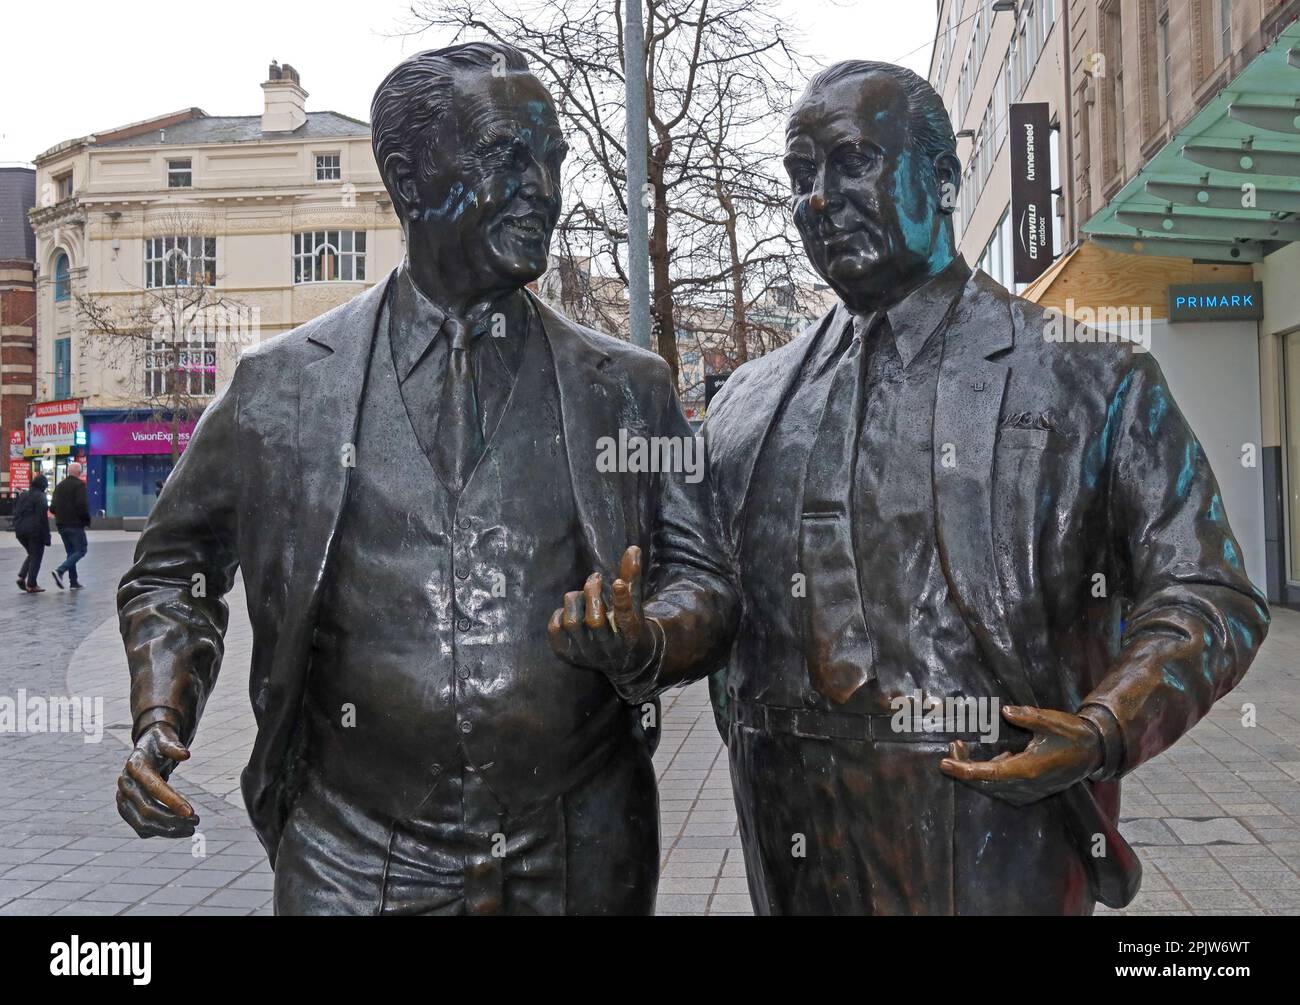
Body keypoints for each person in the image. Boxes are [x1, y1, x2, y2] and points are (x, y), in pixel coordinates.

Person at [558, 60, 1268, 915]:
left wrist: (1106, 725)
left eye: (852, 161)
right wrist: (645, 640)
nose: (819, 198)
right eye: (800, 174)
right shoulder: (747, 400)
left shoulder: (1090, 378)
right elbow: (706, 594)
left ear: (942, 179)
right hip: (793, 821)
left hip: (995, 814)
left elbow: (1210, 593)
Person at [114, 43, 735, 916]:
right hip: (352, 852)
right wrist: (161, 715)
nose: (544, 190)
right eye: (507, 156)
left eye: (552, 160)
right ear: (406, 177)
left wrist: (651, 638)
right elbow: (172, 568)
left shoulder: (628, 389)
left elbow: (706, 577)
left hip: (578, 850)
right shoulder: (284, 386)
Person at [51, 461, 90, 590]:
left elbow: (52, 507)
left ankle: (73, 582)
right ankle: (60, 571)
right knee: (81, 550)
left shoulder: (59, 486)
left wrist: (61, 516)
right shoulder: (79, 485)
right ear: (79, 473)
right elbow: (82, 505)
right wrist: (86, 520)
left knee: (71, 552)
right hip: (75, 524)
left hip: (61, 524)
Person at [13, 474, 51, 594]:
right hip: (34, 531)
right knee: (36, 556)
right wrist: (47, 536)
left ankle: (22, 577)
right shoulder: (41, 497)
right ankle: (32, 584)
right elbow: (42, 519)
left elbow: (17, 512)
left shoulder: (23, 495)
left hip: (20, 530)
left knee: (32, 554)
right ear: (43, 486)